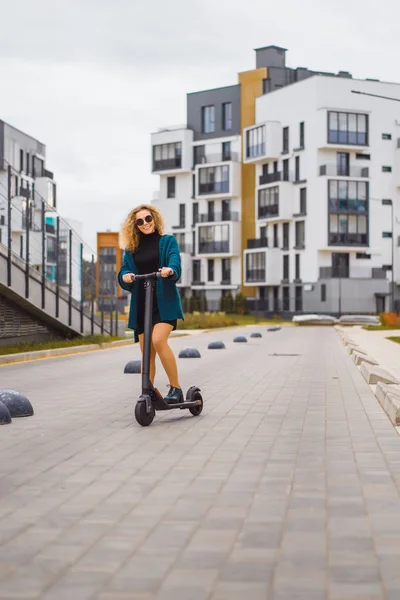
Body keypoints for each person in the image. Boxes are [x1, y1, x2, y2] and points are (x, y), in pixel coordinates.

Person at [117, 204, 184, 404]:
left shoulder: (167, 241)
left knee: (158, 340)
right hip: (142, 305)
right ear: (135, 225)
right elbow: (123, 272)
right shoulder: (131, 250)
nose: (145, 223)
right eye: (140, 221)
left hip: (164, 303)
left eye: (148, 219)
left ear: (154, 219)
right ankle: (148, 392)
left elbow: (175, 261)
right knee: (147, 352)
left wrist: (170, 270)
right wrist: (126, 277)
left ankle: (176, 388)